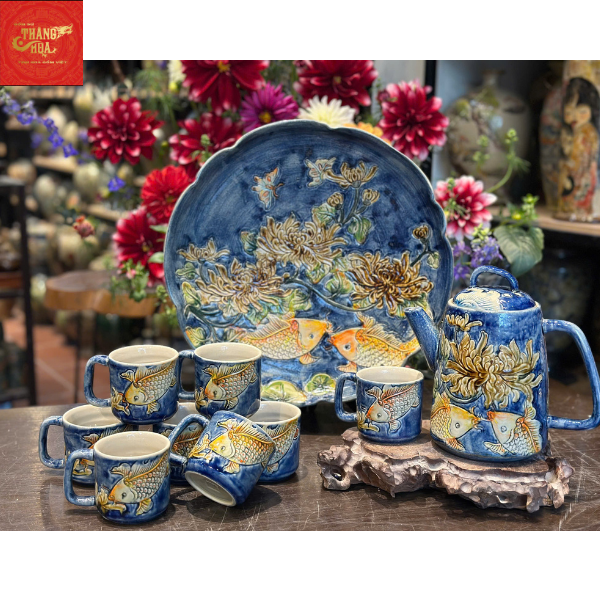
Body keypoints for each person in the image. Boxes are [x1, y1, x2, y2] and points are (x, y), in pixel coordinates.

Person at [558, 77, 600, 218]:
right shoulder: (571, 132)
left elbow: (585, 158)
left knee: (582, 195)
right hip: (572, 174)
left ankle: (584, 211)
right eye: (569, 112)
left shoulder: (588, 133)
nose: (574, 116)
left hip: (583, 173)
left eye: (581, 111)